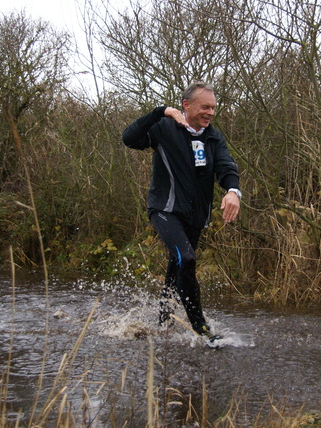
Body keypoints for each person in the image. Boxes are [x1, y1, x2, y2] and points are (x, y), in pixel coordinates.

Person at [122, 82, 241, 342]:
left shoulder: (213, 136)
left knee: (177, 266)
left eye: (213, 108)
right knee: (186, 259)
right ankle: (201, 329)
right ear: (186, 105)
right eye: (205, 107)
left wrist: (233, 190)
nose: (210, 112)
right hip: (165, 210)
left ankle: (163, 323)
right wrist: (160, 111)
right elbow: (129, 138)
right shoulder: (165, 129)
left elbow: (225, 165)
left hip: (196, 216)